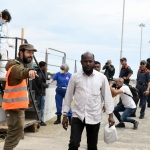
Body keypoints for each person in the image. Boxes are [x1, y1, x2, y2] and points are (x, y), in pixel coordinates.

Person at [62, 52, 115, 150]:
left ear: (93, 62)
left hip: (94, 115)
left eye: (90, 61)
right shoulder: (75, 77)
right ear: (81, 62)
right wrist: (65, 114)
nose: (88, 63)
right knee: (73, 144)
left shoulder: (101, 78)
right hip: (78, 115)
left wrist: (110, 115)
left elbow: (107, 96)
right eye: (85, 61)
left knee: (92, 146)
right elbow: (68, 95)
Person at [2, 43, 38, 150]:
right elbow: (21, 73)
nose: (30, 55)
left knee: (17, 133)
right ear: (20, 53)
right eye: (28, 52)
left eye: (32, 53)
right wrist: (29, 71)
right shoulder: (15, 67)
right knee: (14, 133)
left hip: (17, 107)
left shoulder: (21, 66)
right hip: (13, 107)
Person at [34, 61, 49, 126]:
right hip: (40, 93)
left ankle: (39, 120)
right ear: (43, 67)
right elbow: (40, 83)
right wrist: (46, 85)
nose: (46, 67)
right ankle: (39, 120)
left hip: (38, 92)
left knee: (39, 107)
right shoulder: (39, 73)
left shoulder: (38, 71)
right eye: (45, 66)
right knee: (41, 107)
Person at [0, 9, 14, 78]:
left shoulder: (7, 25)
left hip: (3, 45)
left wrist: (11, 44)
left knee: (3, 63)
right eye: (4, 18)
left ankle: (2, 78)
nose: (5, 20)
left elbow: (8, 36)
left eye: (6, 19)